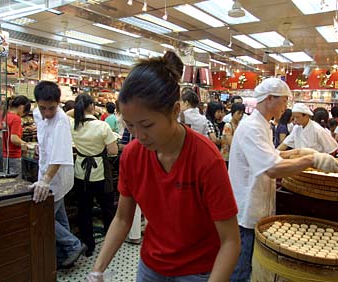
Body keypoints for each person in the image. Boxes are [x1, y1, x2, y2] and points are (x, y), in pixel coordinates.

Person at [87, 51, 240, 282]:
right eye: (130, 125)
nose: (139, 135)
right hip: (151, 267)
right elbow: (122, 218)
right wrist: (97, 269)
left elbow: (230, 241)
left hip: (197, 272)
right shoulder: (132, 155)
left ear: (175, 111)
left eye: (146, 125)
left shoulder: (206, 160)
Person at [228, 78, 338, 282]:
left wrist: (298, 152)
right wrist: (312, 158)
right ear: (270, 98)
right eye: (284, 101)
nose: (286, 108)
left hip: (257, 204)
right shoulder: (252, 128)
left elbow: (272, 156)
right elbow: (272, 168)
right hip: (247, 210)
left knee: (249, 266)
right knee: (241, 270)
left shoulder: (263, 125)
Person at [30, 81, 87, 269]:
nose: (47, 112)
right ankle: (65, 255)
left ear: (59, 102)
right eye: (43, 107)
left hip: (56, 177)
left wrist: (46, 180)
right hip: (46, 172)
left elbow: (60, 155)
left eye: (51, 108)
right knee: (59, 218)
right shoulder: (38, 113)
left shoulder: (61, 120)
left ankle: (73, 245)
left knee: (43, 217)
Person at [71, 94, 120, 257]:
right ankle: (110, 244)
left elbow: (65, 115)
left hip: (80, 172)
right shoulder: (102, 126)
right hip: (100, 172)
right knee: (107, 208)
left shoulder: (73, 125)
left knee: (84, 210)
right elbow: (113, 151)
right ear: (92, 106)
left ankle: (88, 246)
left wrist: (78, 109)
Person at [3, 95, 31, 175]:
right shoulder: (16, 119)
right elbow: (14, 139)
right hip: (13, 155)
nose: (23, 114)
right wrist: (26, 145)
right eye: (25, 112)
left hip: (3, 155)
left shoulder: (5, 116)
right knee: (14, 181)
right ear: (22, 107)